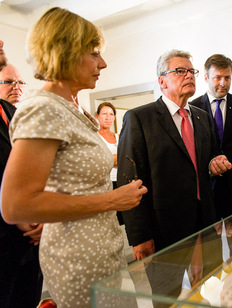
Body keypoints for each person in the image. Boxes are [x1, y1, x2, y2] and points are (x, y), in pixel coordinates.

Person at [1, 8, 147, 308]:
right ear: (64, 52)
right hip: (78, 260)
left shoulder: (73, 109)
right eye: (94, 53)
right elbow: (16, 205)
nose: (103, 63)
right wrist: (113, 200)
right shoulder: (43, 108)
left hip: (103, 252)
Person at [118, 49, 232, 261]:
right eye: (180, 71)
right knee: (167, 293)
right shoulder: (140, 118)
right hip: (164, 228)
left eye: (192, 71)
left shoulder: (202, 117)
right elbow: (129, 181)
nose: (189, 75)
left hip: (206, 221)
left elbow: (210, 157)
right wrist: (139, 236)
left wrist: (216, 162)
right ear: (162, 81)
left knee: (209, 286)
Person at [0, 40, 43, 308]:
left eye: (20, 82)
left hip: (30, 244)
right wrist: (19, 216)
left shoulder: (14, 114)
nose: (16, 87)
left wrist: (42, 216)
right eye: (8, 82)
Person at [191, 54, 232, 219]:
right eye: (218, 77)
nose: (223, 83)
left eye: (227, 78)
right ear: (206, 78)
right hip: (207, 188)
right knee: (210, 242)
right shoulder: (193, 108)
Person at [96, 102, 124, 224]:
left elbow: (127, 158)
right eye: (104, 114)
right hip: (105, 183)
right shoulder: (94, 137)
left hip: (121, 181)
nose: (108, 117)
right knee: (109, 218)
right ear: (97, 116)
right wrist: (113, 159)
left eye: (111, 114)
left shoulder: (119, 136)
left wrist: (111, 159)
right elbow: (97, 161)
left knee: (123, 218)